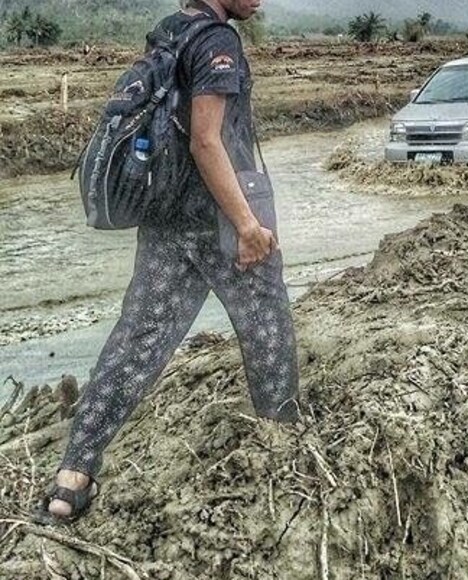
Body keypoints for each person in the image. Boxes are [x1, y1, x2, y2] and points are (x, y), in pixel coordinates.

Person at [36, 0, 299, 524]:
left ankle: (73, 475)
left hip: (164, 221)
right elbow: (206, 140)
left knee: (136, 342)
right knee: (268, 327)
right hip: (220, 221)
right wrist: (247, 225)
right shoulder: (220, 42)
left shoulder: (170, 33)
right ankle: (288, 446)